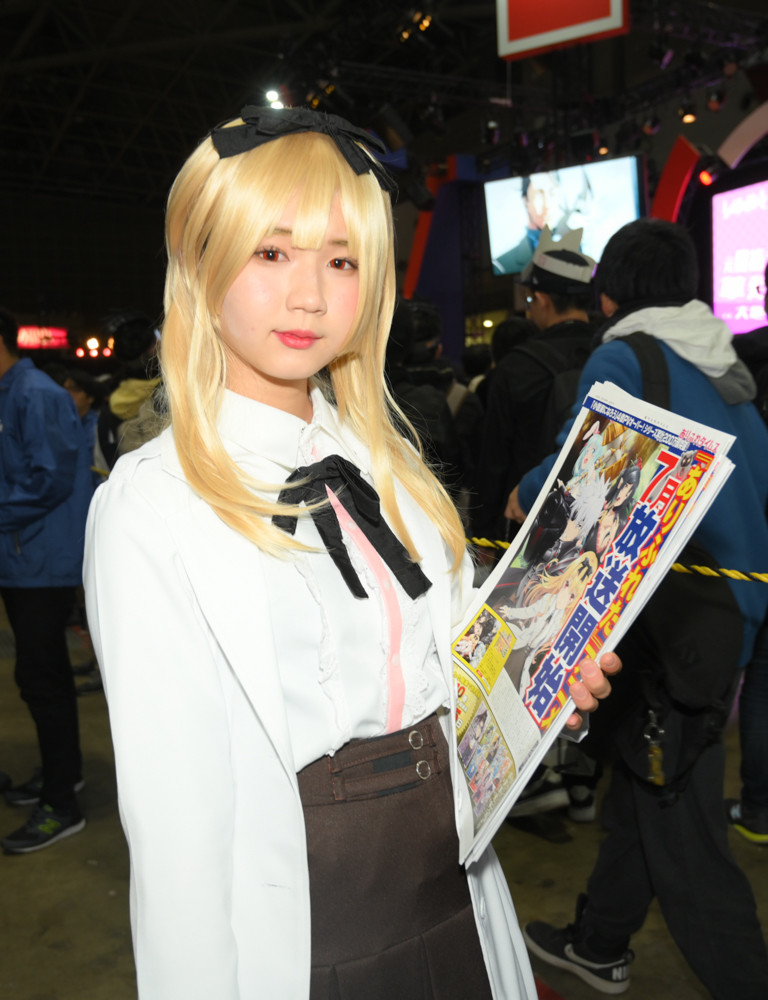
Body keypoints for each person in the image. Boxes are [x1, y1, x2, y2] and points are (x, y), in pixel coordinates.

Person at [82, 106, 619, 1000]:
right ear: (202, 262)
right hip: (305, 932)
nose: (310, 295)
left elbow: (459, 673)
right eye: (271, 252)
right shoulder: (153, 505)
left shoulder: (392, 466)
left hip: (458, 893)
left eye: (342, 261)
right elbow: (177, 829)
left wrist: (547, 682)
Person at [507, 219, 768, 997]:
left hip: (667, 627)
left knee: (682, 826)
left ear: (608, 293)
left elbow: (581, 471)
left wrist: (522, 492)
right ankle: (599, 942)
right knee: (646, 781)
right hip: (727, 615)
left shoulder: (626, 356)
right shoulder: (724, 366)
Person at [0, 308, 93, 852]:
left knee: (43, 678)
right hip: (21, 558)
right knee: (39, 678)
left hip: (41, 562)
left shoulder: (35, 394)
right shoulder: (14, 393)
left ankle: (62, 805)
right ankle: (64, 776)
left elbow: (51, 480)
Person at [474, 227, 596, 542]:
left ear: (542, 299)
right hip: (597, 517)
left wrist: (484, 532)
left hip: (528, 518)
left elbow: (494, 461)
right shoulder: (612, 354)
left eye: (530, 299)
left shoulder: (516, 366)